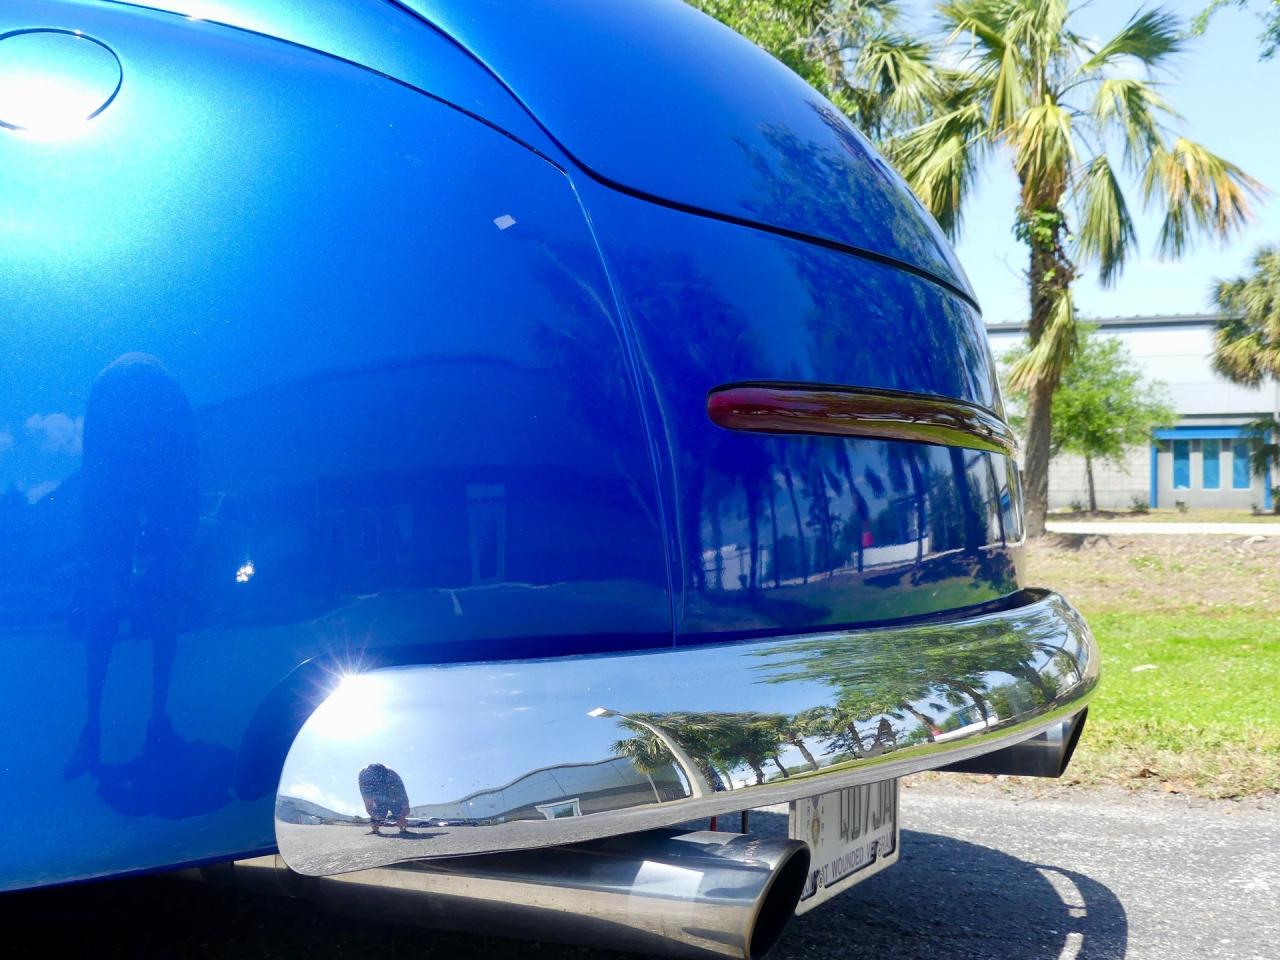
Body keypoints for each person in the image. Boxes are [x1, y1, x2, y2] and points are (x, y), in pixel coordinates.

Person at [357, 763, 411, 835]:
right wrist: (375, 816)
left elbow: (404, 800)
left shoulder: (394, 777)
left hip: (394, 797)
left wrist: (402, 814)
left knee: (399, 812)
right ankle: (375, 829)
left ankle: (403, 828)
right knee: (376, 813)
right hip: (379, 799)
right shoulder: (364, 780)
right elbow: (368, 806)